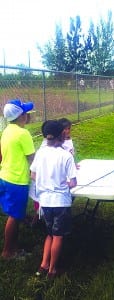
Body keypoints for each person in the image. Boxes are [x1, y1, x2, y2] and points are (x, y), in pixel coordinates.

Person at [30, 120, 77, 278]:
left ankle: (43, 265)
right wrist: (66, 183)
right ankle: (52, 270)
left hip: (45, 203)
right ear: (61, 135)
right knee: (58, 236)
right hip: (61, 203)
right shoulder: (66, 156)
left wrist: (46, 183)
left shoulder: (40, 152)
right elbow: (73, 182)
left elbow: (33, 175)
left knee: (49, 233)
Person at [0, 99, 35, 258]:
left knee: (14, 214)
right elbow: (32, 159)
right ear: (21, 116)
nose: (28, 115)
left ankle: (14, 246)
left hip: (5, 177)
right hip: (17, 181)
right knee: (14, 217)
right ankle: (8, 252)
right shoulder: (23, 133)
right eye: (26, 113)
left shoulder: (7, 130)